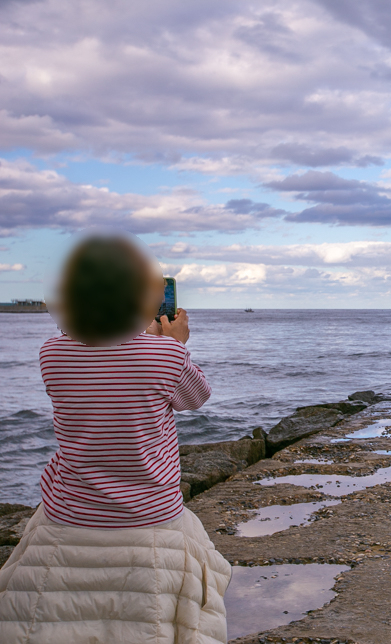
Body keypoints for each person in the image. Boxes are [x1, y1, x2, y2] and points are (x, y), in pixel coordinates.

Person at [0, 231, 231, 644]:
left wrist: (149, 341)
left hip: (69, 509)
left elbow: (106, 356)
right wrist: (176, 345)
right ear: (143, 301)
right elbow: (196, 397)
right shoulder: (165, 355)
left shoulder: (52, 354)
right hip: (150, 512)